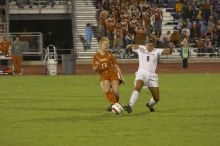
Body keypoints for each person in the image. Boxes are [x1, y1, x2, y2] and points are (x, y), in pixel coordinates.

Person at [123, 35, 174, 113]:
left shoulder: (157, 51)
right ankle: (130, 105)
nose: (150, 47)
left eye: (152, 45)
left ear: (154, 45)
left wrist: (171, 48)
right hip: (141, 73)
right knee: (138, 87)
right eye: (149, 45)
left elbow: (169, 52)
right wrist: (130, 45)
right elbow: (127, 47)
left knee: (156, 98)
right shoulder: (140, 48)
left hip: (152, 76)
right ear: (145, 44)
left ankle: (150, 105)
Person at [92, 37, 124, 111]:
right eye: (104, 44)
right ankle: (116, 105)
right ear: (100, 44)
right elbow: (94, 70)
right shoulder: (96, 56)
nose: (106, 46)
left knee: (115, 92)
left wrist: (120, 73)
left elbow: (115, 64)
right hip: (104, 75)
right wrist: (97, 65)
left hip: (113, 74)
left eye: (107, 44)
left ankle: (114, 105)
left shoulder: (109, 55)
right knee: (107, 89)